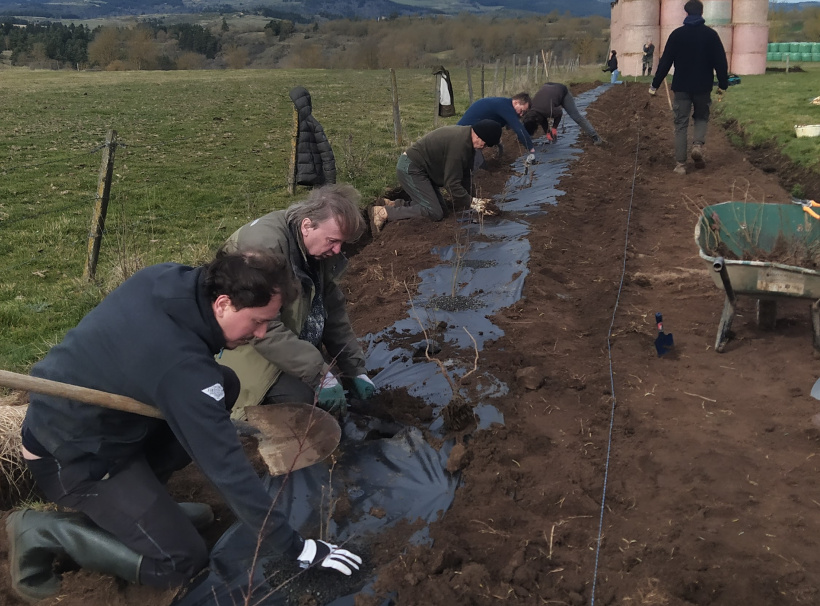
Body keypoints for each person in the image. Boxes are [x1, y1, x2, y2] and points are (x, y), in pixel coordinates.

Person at [7, 250, 362, 603]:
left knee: (225, 384)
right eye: (257, 321)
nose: (261, 332)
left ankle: (145, 507)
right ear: (223, 303)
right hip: (72, 457)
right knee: (182, 560)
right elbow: (226, 468)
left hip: (108, 425)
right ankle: (44, 530)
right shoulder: (182, 370)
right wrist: (293, 546)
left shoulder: (171, 279)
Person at [218, 183, 374, 416]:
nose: (337, 250)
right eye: (332, 241)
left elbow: (332, 311)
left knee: (332, 386)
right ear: (307, 225)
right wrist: (319, 374)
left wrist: (356, 369)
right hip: (243, 346)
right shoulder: (263, 250)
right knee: (306, 404)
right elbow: (262, 329)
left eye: (342, 243)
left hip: (286, 337)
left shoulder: (316, 251)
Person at [370, 119, 503, 233]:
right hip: (411, 168)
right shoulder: (459, 146)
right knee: (434, 212)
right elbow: (452, 183)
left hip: (425, 171)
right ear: (480, 136)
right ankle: (383, 213)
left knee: (442, 211)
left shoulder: (467, 141)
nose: (483, 148)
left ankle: (395, 204)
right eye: (485, 144)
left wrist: (474, 199)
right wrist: (472, 203)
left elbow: (465, 176)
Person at [649, 0, 729, 175]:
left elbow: (665, 62)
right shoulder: (711, 35)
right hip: (703, 86)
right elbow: (721, 62)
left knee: (681, 124)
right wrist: (723, 83)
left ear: (686, 13)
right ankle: (698, 145)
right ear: (701, 13)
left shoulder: (677, 35)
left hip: (682, 87)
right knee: (701, 117)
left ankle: (680, 165)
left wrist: (655, 85)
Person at [521, 82, 604, 145]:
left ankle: (595, 137)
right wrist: (547, 133)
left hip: (562, 92)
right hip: (549, 88)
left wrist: (554, 128)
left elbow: (559, 113)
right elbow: (542, 119)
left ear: (536, 121)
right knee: (543, 115)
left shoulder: (548, 110)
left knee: (576, 117)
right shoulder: (532, 111)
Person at [457, 92, 535, 159]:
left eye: (524, 114)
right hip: (464, 132)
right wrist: (531, 149)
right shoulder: (505, 107)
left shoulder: (504, 104)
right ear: (516, 102)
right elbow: (518, 128)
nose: (521, 115)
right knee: (465, 155)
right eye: (521, 111)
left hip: (469, 129)